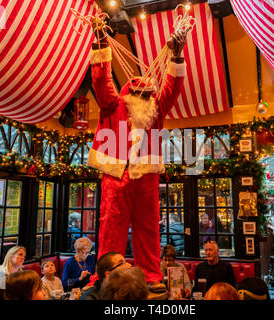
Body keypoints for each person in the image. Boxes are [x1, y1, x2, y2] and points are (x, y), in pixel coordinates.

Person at [87, 16, 187, 293]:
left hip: (146, 177)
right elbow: (100, 80)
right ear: (127, 93)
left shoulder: (156, 110)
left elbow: (172, 89)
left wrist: (176, 57)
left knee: (148, 228)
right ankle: (107, 275)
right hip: (117, 174)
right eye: (138, 90)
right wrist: (100, 42)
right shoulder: (112, 104)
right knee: (111, 228)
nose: (145, 94)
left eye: (148, 92)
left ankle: (152, 275)